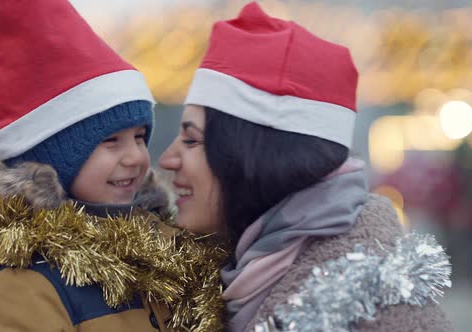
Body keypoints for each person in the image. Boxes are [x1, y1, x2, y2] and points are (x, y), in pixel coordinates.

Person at [159, 2, 453, 331]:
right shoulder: (250, 273)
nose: (166, 159)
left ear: (253, 157)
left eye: (191, 140)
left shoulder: (370, 312)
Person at [0, 1, 226, 331]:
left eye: (139, 137)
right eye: (111, 141)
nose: (136, 156)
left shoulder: (175, 254)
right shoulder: (21, 288)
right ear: (51, 162)